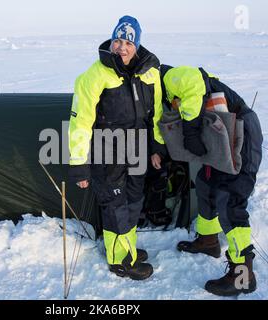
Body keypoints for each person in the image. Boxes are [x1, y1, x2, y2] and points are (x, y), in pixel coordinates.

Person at [68, 16, 165, 280]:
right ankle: (119, 260)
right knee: (115, 204)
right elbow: (81, 122)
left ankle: (126, 248)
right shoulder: (95, 74)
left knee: (134, 200)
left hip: (138, 150)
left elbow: (155, 115)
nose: (122, 47)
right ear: (111, 41)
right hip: (107, 152)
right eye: (118, 40)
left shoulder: (150, 73)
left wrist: (157, 147)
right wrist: (78, 164)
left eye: (128, 42)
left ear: (137, 46)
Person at [160, 64, 263, 296]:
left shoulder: (169, 76)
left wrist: (190, 133)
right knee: (206, 185)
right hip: (218, 135)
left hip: (240, 131)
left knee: (231, 202)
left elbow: (194, 82)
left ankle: (242, 276)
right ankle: (208, 241)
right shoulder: (160, 91)